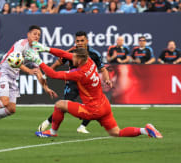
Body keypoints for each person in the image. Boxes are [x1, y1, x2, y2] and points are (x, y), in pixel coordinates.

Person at [27, 42, 162, 139]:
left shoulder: (80, 73)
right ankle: (145, 130)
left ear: (79, 59)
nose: (71, 58)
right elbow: (64, 54)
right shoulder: (90, 61)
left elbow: (54, 75)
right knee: (116, 132)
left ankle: (52, 131)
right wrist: (45, 48)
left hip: (92, 109)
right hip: (104, 104)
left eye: (74, 57)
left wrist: (38, 60)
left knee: (59, 105)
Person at [0, 25, 57, 133]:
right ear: (28, 34)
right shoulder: (21, 44)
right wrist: (28, 71)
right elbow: (14, 61)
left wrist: (46, 88)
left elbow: (38, 72)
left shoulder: (34, 52)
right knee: (5, 102)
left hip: (13, 78)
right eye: (34, 34)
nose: (37, 36)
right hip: (4, 73)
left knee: (11, 109)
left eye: (39, 35)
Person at [37, 31, 112, 134]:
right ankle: (48, 122)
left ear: (87, 41)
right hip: (73, 82)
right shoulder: (72, 51)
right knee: (64, 104)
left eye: (82, 40)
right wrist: (45, 74)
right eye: (77, 41)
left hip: (86, 83)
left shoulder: (94, 54)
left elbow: (103, 69)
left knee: (93, 104)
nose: (80, 43)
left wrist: (107, 79)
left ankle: (81, 127)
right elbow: (59, 61)